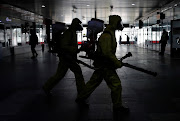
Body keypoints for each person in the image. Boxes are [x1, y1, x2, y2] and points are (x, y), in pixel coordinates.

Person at [76, 15, 129, 113]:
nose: (120, 24)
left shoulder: (110, 34)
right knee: (116, 84)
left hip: (103, 65)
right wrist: (116, 62)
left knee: (93, 83)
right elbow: (107, 53)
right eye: (118, 22)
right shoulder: (107, 36)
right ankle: (117, 107)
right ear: (114, 23)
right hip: (105, 66)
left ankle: (81, 97)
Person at [42, 18, 85, 96]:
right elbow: (64, 45)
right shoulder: (69, 33)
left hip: (68, 58)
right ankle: (82, 91)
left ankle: (47, 86)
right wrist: (75, 49)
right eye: (78, 24)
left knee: (60, 74)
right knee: (77, 72)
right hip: (66, 58)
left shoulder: (72, 32)